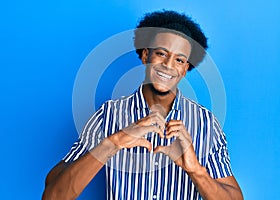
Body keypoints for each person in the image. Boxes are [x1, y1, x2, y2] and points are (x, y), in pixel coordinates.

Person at [42, 10, 243, 200]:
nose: (168, 65)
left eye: (179, 60)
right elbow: (54, 195)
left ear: (185, 69)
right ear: (146, 55)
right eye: (161, 54)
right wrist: (114, 142)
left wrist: (195, 170)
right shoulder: (108, 115)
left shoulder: (206, 124)